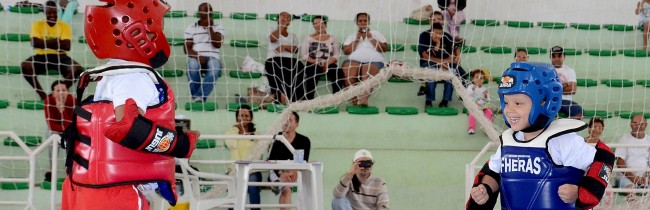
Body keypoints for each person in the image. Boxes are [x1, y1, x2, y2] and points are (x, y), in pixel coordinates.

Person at [61, 1, 199, 209]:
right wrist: (180, 144)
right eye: (153, 28)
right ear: (135, 34)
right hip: (115, 193)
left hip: (85, 187)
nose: (158, 34)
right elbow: (127, 127)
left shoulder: (109, 72)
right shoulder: (133, 76)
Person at [466, 62, 614, 210]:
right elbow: (494, 171)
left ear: (544, 101)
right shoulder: (508, 141)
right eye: (506, 102)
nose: (509, 110)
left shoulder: (561, 140)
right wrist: (484, 189)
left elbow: (603, 159)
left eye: (518, 103)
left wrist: (580, 192)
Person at [21, 0, 82, 100]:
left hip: (61, 57)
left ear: (57, 12)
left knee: (77, 69)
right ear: (45, 13)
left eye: (54, 12)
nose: (52, 15)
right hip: (41, 56)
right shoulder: (37, 25)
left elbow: (66, 46)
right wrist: (57, 41)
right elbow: (35, 44)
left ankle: (57, 92)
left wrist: (43, 42)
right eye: (49, 12)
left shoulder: (64, 26)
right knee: (25, 66)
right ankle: (43, 96)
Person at [267, 112, 311, 210]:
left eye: (290, 120)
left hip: (295, 171)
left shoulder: (304, 141)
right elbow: (271, 161)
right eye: (284, 120)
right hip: (276, 171)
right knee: (286, 188)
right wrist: (281, 173)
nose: (286, 123)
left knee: (292, 187)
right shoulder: (276, 138)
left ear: (297, 124)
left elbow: (304, 161)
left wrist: (294, 171)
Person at [342, 12, 388, 107]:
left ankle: (363, 100)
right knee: (349, 73)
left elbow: (383, 49)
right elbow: (346, 51)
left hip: (374, 61)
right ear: (357, 23)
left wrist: (370, 38)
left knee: (367, 71)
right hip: (354, 60)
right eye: (360, 21)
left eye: (365, 21)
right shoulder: (352, 36)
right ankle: (354, 101)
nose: (363, 23)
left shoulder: (376, 33)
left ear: (369, 22)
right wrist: (357, 39)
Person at [225, 105, 261, 210]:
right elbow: (231, 144)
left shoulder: (256, 134)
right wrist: (236, 129)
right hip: (234, 170)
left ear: (251, 118)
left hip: (252, 170)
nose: (244, 118)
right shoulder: (231, 132)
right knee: (234, 184)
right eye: (241, 115)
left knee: (252, 182)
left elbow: (259, 153)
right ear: (237, 117)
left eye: (247, 116)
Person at [418, 22, 462, 108]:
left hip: (446, 65)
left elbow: (454, 52)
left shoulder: (446, 37)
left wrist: (454, 59)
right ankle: (429, 100)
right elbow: (426, 56)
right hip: (433, 65)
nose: (438, 35)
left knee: (452, 75)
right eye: (435, 33)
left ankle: (445, 101)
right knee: (431, 74)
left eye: (440, 34)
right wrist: (438, 44)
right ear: (431, 33)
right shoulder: (426, 38)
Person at [300, 15, 344, 99]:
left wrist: (327, 63)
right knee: (312, 72)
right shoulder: (308, 38)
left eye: (320, 23)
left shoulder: (333, 39)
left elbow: (336, 55)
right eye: (315, 23)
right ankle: (309, 101)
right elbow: (304, 55)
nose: (318, 25)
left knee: (338, 72)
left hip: (329, 63)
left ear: (325, 24)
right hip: (313, 63)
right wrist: (315, 62)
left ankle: (336, 100)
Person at [265, 12, 305, 104]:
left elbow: (295, 50)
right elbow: (273, 39)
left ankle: (297, 98)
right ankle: (279, 96)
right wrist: (282, 26)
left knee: (300, 66)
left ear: (290, 22)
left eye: (288, 17)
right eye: (283, 16)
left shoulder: (293, 35)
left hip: (289, 61)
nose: (285, 17)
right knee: (276, 70)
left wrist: (284, 47)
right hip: (274, 59)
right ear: (277, 19)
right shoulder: (271, 31)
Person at [43, 80, 75, 181]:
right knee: (50, 134)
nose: (61, 93)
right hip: (55, 131)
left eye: (64, 90)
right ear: (53, 93)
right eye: (58, 90)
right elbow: (51, 125)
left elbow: (73, 124)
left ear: (68, 92)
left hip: (69, 131)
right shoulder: (48, 101)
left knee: (71, 137)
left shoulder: (73, 100)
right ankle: (52, 169)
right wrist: (62, 130)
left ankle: (69, 168)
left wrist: (62, 110)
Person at [614, 113, 649, 202]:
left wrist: (647, 177)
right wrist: (634, 178)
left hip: (645, 177)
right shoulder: (624, 140)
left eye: (641, 123)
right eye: (635, 123)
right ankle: (634, 206)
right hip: (626, 177)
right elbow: (620, 163)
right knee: (631, 189)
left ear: (646, 125)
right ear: (630, 125)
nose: (638, 126)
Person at [550, 46, 583, 119]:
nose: (556, 59)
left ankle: (569, 130)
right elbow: (547, 90)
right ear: (550, 58)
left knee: (580, 113)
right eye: (554, 56)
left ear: (564, 57)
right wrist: (565, 85)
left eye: (559, 56)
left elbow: (573, 90)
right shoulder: (547, 70)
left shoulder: (570, 71)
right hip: (551, 100)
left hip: (566, 102)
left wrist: (556, 88)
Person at [466, 70, 493, 135]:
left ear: (483, 80)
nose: (479, 79)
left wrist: (486, 95)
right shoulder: (470, 87)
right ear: (473, 79)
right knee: (473, 112)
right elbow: (467, 95)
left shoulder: (484, 89)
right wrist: (473, 89)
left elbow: (488, 100)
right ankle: (471, 128)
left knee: (489, 110)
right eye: (477, 77)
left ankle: (487, 128)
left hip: (482, 105)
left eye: (481, 78)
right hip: (474, 105)